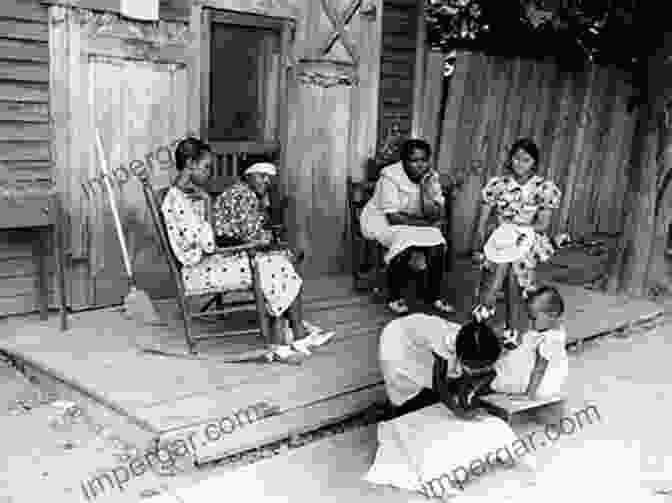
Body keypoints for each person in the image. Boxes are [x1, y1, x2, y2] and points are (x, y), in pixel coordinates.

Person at [161, 138, 303, 336]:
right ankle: (291, 332)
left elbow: (207, 238)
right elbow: (210, 244)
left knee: (277, 261)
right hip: (198, 271)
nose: (209, 173)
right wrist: (208, 202)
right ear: (190, 164)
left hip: (210, 260)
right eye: (206, 167)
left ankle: (287, 330)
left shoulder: (187, 195)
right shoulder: (177, 201)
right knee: (275, 264)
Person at [360, 138, 453, 315]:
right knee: (405, 239)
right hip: (382, 220)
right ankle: (395, 296)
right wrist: (426, 224)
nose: (420, 165)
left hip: (413, 222)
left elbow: (437, 214)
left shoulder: (430, 177)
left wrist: (426, 190)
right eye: (414, 160)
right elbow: (393, 217)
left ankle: (433, 295)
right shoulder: (390, 176)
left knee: (437, 241)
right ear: (404, 161)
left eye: (424, 160)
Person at [474, 138, 562, 308]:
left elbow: (542, 224)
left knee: (512, 264)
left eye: (526, 160)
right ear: (510, 159)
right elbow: (483, 221)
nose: (520, 164)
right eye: (516, 158)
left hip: (527, 238)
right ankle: (489, 308)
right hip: (500, 236)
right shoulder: (498, 184)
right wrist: (481, 242)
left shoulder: (543, 188)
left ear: (534, 163)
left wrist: (514, 229)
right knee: (500, 262)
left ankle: (494, 313)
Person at [378, 313, 501, 418]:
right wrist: (458, 412)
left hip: (420, 341)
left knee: (445, 379)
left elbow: (467, 373)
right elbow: (438, 382)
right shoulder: (445, 341)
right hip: (397, 343)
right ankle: (393, 411)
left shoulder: (469, 340)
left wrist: (464, 398)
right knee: (403, 390)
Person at [491, 285, 568, 400]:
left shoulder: (551, 340)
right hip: (539, 374)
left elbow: (540, 369)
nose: (532, 322)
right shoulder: (549, 329)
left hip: (541, 385)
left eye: (534, 318)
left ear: (552, 316)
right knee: (516, 349)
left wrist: (529, 395)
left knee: (506, 369)